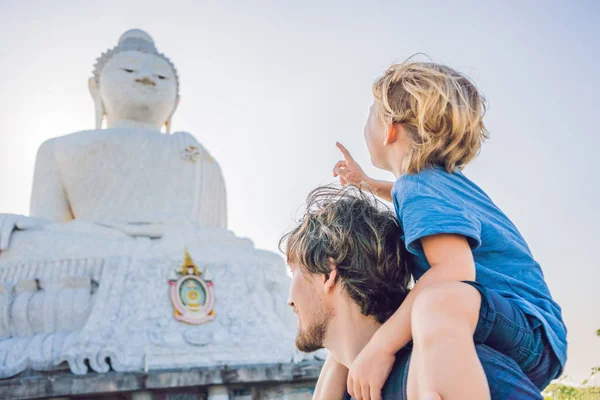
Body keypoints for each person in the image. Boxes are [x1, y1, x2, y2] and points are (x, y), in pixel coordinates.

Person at [325, 59, 567, 399]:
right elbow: (405, 197)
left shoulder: (418, 185)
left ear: (390, 127)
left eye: (370, 114)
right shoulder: (436, 184)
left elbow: (455, 269)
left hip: (522, 327)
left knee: (435, 299)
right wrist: (367, 184)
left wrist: (380, 347)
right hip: (519, 327)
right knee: (429, 307)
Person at [280, 186, 543, 400]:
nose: (290, 300)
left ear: (328, 274)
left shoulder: (454, 367)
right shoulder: (346, 388)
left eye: (294, 273)